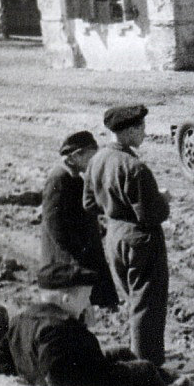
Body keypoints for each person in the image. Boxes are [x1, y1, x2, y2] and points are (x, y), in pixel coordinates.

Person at [82, 104, 171, 367]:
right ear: (129, 131)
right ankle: (147, 369)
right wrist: (163, 200)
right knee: (148, 307)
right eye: (141, 128)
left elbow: (89, 204)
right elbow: (151, 215)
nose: (145, 133)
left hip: (114, 235)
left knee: (134, 302)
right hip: (140, 239)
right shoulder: (135, 167)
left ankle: (137, 357)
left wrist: (114, 206)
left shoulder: (96, 160)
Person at [0, 287, 188, 386]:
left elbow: (0, 360)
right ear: (66, 299)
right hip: (86, 381)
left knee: (123, 352)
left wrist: (23, 375)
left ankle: (165, 378)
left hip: (75, 367)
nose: (88, 303)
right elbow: (59, 378)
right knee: (144, 369)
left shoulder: (24, 317)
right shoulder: (61, 327)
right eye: (85, 297)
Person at [40, 130, 118, 310]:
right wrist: (79, 252)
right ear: (75, 157)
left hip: (77, 259)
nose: (94, 164)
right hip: (65, 264)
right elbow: (55, 225)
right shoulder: (58, 179)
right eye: (90, 158)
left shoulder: (75, 178)